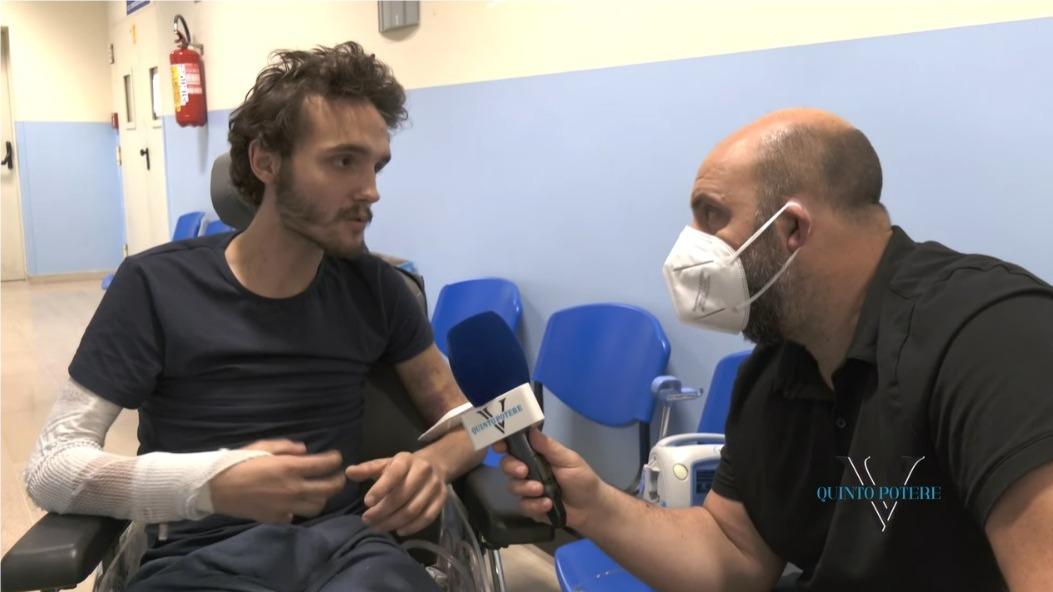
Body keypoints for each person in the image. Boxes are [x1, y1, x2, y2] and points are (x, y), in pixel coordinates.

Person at [497, 108, 1053, 591]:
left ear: (792, 228)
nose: (689, 246)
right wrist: (594, 504)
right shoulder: (777, 367)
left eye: (711, 215)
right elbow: (732, 553)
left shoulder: (990, 336)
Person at [23, 41, 484, 592]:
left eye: (375, 166)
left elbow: (486, 422)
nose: (370, 191)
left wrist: (437, 461)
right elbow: (52, 467)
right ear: (265, 161)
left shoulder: (378, 289)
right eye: (343, 161)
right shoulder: (155, 286)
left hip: (350, 554)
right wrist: (209, 484)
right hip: (198, 559)